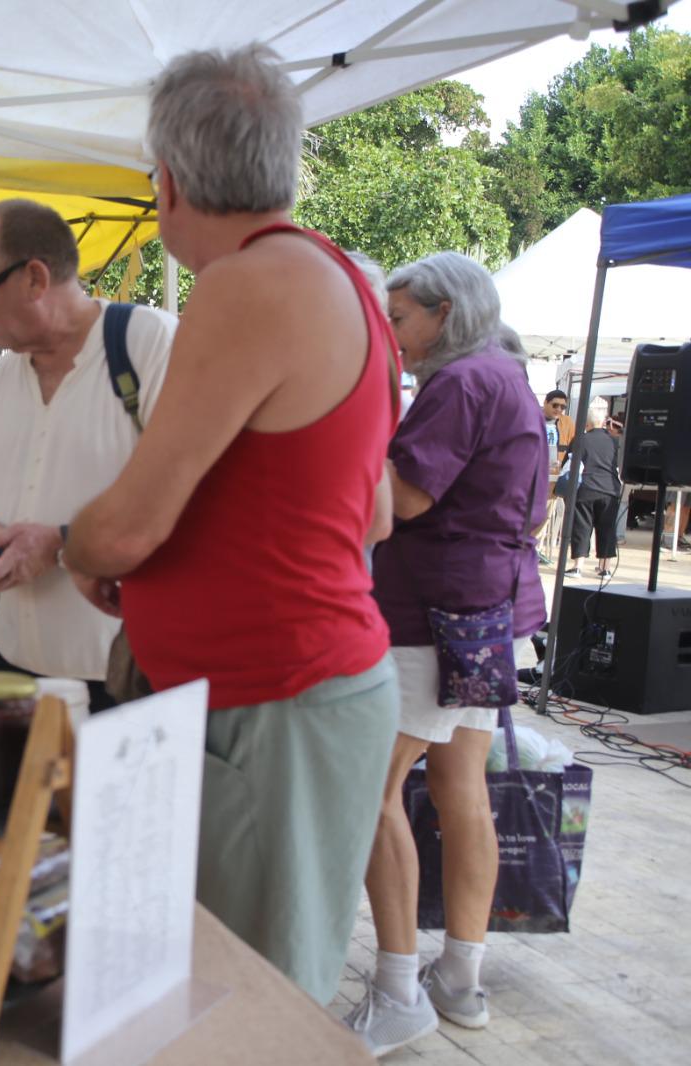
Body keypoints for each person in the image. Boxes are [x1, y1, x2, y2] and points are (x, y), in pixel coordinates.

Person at [62, 45, 399, 1004]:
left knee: (248, 1007)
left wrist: (81, 546)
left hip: (275, 698)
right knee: (235, 991)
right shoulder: (336, 279)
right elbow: (369, 515)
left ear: (168, 182)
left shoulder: (251, 283)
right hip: (293, 693)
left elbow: (128, 527)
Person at [349, 252, 548, 1055]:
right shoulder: (505, 375)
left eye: (399, 318)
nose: (391, 333)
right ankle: (458, 978)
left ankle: (398, 988)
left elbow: (402, 498)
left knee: (371, 789)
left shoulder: (462, 382)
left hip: (438, 614)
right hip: (488, 610)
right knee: (461, 789)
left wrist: (350, 430)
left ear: (444, 314)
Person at [0, 197, 177, 710]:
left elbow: (192, 501)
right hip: (13, 668)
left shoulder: (149, 345)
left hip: (123, 679)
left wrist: (60, 545)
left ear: (35, 278)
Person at [567, 396, 624, 578]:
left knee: (582, 526)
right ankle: (605, 568)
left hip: (586, 487)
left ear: (587, 422)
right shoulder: (614, 442)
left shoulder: (580, 440)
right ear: (603, 421)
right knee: (607, 528)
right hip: (610, 488)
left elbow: (569, 464)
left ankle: (578, 566)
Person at [536, 389, 577, 564]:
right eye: (555, 405)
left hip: (553, 477)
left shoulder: (567, 423)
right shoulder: (533, 417)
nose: (559, 409)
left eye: (562, 406)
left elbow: (575, 445)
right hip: (531, 474)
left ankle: (534, 547)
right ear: (545, 403)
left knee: (545, 513)